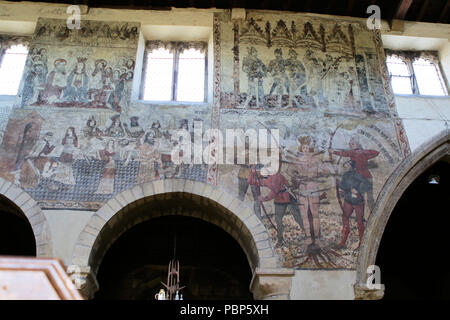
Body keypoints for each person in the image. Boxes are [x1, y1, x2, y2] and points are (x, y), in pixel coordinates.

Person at [248, 164, 303, 246]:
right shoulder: (265, 179)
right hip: (279, 201)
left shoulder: (276, 176)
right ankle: (280, 241)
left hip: (288, 198)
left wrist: (264, 198)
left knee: (297, 217)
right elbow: (251, 181)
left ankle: (309, 234)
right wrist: (252, 172)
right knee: (278, 220)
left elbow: (275, 191)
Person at [329, 135, 379, 213]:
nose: (351, 145)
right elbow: (376, 153)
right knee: (369, 197)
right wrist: (366, 155)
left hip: (359, 178)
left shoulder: (353, 152)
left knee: (360, 198)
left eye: (352, 144)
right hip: (368, 177)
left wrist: (333, 152)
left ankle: (362, 216)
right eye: (350, 144)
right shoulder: (362, 153)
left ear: (357, 144)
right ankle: (374, 212)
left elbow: (344, 153)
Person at [336, 160, 371, 249]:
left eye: (348, 164)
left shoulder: (357, 175)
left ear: (352, 166)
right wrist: (339, 185)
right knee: (345, 219)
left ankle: (361, 244)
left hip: (358, 201)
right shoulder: (345, 175)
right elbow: (343, 186)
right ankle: (343, 243)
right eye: (346, 164)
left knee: (360, 222)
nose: (346, 165)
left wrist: (358, 190)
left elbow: (367, 185)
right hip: (348, 200)